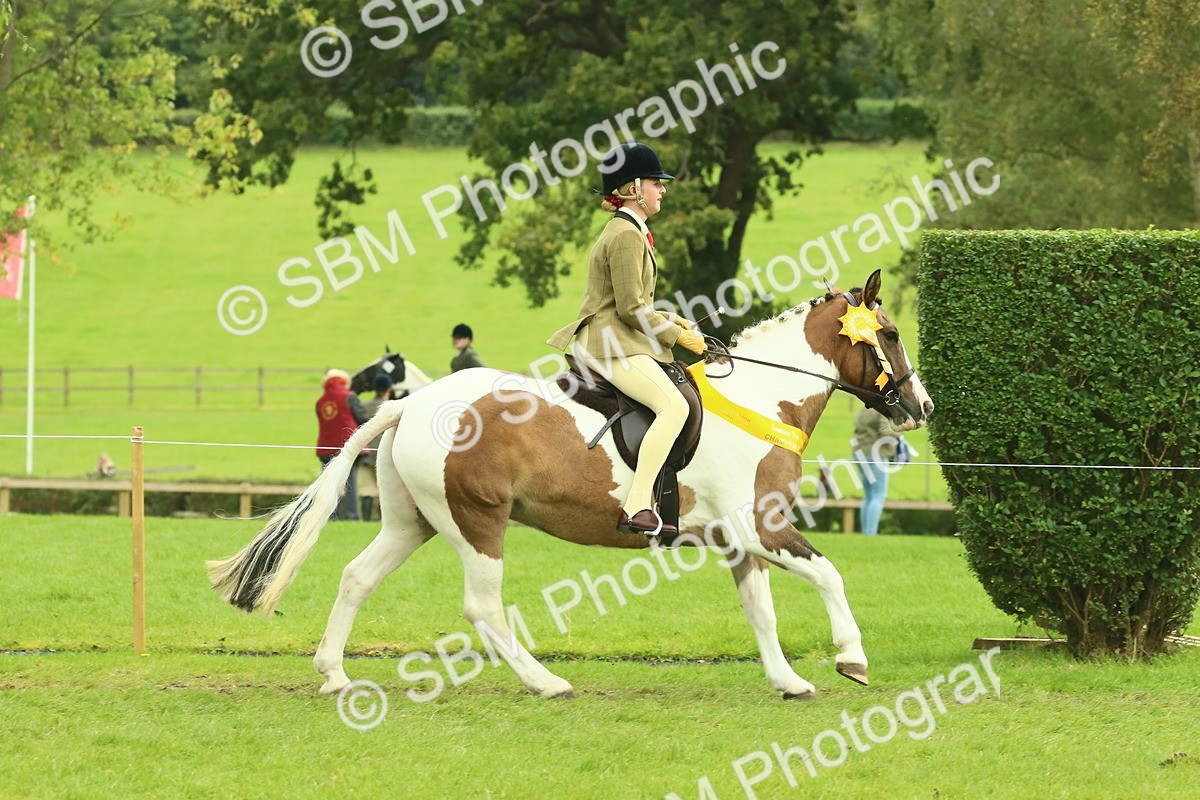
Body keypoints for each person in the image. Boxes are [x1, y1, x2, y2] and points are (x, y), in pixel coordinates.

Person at [548, 141, 707, 537]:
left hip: (619, 338)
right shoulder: (625, 235)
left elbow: (638, 301)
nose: (663, 189)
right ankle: (637, 504)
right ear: (634, 187)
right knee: (674, 407)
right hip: (610, 344)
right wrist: (678, 338)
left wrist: (674, 320)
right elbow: (630, 309)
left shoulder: (632, 230)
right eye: (656, 183)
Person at [315, 368, 368, 520]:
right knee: (350, 483)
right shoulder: (349, 397)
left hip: (326, 448)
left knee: (329, 485)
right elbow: (362, 419)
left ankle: (330, 516)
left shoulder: (320, 402)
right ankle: (351, 515)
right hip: (349, 447)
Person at [851, 406, 898, 535]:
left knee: (868, 496)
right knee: (878, 496)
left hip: (860, 453)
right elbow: (886, 432)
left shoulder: (865, 408)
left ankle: (866, 533)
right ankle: (870, 533)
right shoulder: (881, 409)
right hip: (876, 455)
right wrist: (901, 429)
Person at [358, 372, 393, 522]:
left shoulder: (363, 406)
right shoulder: (391, 408)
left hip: (365, 452)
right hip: (385, 454)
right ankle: (381, 519)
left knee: (367, 487)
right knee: (385, 489)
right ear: (389, 389)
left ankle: (365, 519)